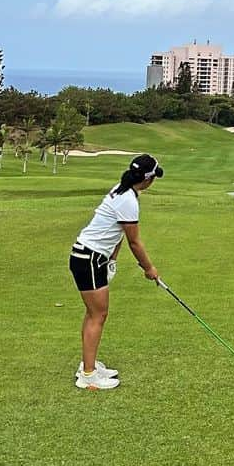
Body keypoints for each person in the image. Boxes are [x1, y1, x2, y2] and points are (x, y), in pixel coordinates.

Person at [68, 153, 163, 390]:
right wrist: (148, 268)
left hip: (91, 257)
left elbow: (117, 233)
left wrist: (111, 260)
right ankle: (88, 375)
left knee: (94, 314)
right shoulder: (128, 200)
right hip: (88, 258)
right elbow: (134, 242)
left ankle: (88, 364)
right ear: (148, 179)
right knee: (97, 315)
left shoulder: (123, 190)